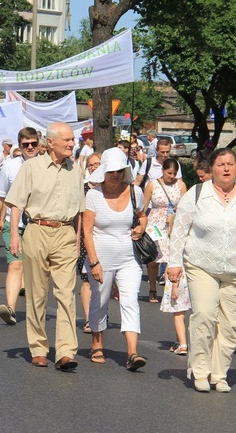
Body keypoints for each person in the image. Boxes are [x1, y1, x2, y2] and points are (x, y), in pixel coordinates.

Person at [167, 148, 236, 393]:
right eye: (221, 164)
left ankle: (219, 373)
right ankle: (200, 370)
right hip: (202, 265)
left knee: (229, 326)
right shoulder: (197, 193)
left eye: (231, 164)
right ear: (211, 168)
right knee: (203, 315)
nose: (226, 168)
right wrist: (173, 263)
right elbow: (180, 229)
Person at [5, 122, 84, 371]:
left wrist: (78, 238)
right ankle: (38, 348)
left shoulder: (76, 169)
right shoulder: (32, 167)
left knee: (66, 295)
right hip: (37, 230)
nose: (72, 144)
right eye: (67, 140)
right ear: (50, 143)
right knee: (37, 294)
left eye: (73, 140)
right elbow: (16, 203)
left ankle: (65, 351)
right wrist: (16, 236)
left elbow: (80, 210)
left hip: (65, 234)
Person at [84, 148, 149, 371]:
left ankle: (132, 353)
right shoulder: (93, 195)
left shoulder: (135, 192)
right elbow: (87, 231)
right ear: (103, 171)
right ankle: (97, 342)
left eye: (119, 171)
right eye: (111, 171)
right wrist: (93, 262)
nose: (115, 175)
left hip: (129, 258)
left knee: (130, 300)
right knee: (100, 301)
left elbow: (142, 216)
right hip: (101, 258)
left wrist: (141, 228)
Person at [0, 128, 39, 325]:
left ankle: (36, 310)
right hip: (14, 222)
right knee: (15, 263)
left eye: (33, 144)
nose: (30, 148)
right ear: (20, 145)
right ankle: (10, 308)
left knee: (36, 268)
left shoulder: (48, 165)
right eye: (25, 144)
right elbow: (0, 195)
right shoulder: (9, 166)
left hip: (38, 225)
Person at [142, 158, 187, 304]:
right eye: (169, 173)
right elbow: (143, 208)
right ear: (162, 170)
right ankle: (153, 288)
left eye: (174, 174)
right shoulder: (152, 185)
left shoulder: (180, 186)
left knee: (170, 259)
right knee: (155, 259)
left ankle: (169, 291)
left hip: (173, 225)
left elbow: (186, 207)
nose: (171, 176)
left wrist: (175, 215)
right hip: (155, 224)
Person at [76, 152, 101, 333]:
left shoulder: (111, 189)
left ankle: (100, 313)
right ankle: (88, 319)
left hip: (106, 238)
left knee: (103, 281)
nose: (93, 167)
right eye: (91, 165)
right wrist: (76, 240)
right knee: (86, 280)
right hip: (86, 238)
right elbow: (78, 217)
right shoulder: (83, 188)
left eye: (97, 164)